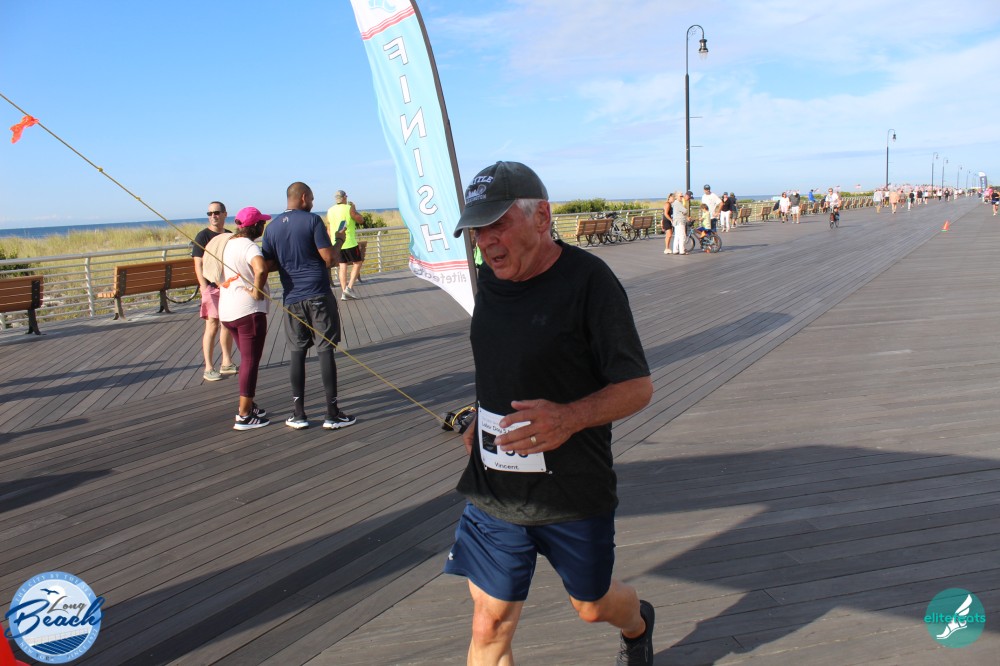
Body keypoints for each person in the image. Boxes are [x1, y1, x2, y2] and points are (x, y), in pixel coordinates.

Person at [445, 161, 655, 666]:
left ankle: (638, 624)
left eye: (498, 225)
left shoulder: (590, 283)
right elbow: (502, 362)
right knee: (488, 622)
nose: (486, 242)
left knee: (592, 605)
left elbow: (637, 387)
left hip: (571, 489)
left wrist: (568, 418)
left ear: (541, 217)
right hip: (495, 486)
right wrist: (480, 414)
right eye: (477, 230)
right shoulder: (487, 281)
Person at [261, 182, 356, 431]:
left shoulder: (271, 228)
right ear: (303, 197)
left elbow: (268, 265)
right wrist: (339, 240)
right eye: (311, 199)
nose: (312, 203)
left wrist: (289, 259)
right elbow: (329, 259)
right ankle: (332, 414)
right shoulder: (312, 221)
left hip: (292, 298)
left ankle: (299, 413)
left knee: (297, 353)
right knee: (325, 350)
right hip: (318, 294)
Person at [219, 207, 271, 430]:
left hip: (227, 312)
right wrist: (257, 292)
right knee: (250, 362)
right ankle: (244, 415)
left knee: (246, 360)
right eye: (262, 223)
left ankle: (249, 404)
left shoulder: (229, 243)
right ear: (255, 226)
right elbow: (261, 269)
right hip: (248, 312)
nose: (264, 226)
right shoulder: (249, 246)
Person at [192, 202, 237, 381]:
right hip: (211, 287)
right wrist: (204, 287)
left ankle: (226, 362)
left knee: (227, 324)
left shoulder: (229, 235)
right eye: (210, 213)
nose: (213, 216)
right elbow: (198, 264)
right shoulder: (203, 236)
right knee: (212, 324)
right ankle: (209, 367)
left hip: (226, 286)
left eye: (217, 212)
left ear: (225, 214)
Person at [327, 190, 365, 301]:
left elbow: (329, 229)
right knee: (358, 263)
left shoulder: (330, 210)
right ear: (344, 198)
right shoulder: (349, 208)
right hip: (349, 242)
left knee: (342, 266)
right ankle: (349, 288)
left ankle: (344, 292)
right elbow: (361, 220)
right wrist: (354, 209)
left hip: (337, 243)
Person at [671, 190, 688, 255]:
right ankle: (682, 250)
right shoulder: (678, 203)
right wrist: (684, 203)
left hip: (676, 221)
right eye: (680, 196)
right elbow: (685, 210)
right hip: (680, 221)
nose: (682, 197)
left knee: (677, 236)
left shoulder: (675, 203)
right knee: (682, 236)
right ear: (676, 197)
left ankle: (675, 250)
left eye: (682, 196)